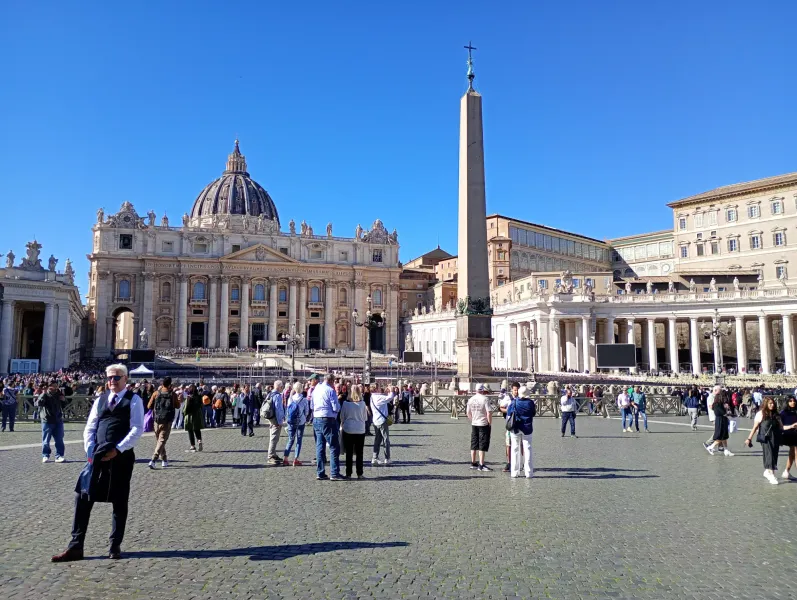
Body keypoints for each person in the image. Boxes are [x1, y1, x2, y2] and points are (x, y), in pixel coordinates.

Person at [51, 364, 144, 562]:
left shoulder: (134, 400)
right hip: (97, 457)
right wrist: (90, 450)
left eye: (116, 378)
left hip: (121, 458)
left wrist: (118, 449)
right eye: (109, 378)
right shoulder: (100, 399)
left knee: (119, 501)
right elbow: (90, 427)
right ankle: (76, 546)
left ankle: (114, 545)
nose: (111, 381)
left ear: (125, 379)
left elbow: (137, 429)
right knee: (82, 497)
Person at [745, 397, 796, 484]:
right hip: (766, 438)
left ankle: (768, 472)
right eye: (770, 403)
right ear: (765, 404)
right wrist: (749, 438)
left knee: (774, 455)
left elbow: (781, 427)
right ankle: (771, 475)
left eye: (773, 403)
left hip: (775, 437)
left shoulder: (776, 415)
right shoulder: (760, 414)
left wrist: (791, 426)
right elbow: (755, 427)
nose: (772, 405)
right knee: (769, 454)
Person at [312, 374, 343, 480]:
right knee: (334, 446)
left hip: (316, 418)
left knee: (319, 447)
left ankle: (320, 472)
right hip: (327, 419)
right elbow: (336, 407)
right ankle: (334, 473)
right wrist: (337, 408)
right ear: (331, 381)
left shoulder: (316, 389)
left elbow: (311, 405)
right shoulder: (330, 390)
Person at [147, 377, 180, 468]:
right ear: (170, 384)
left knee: (160, 440)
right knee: (161, 441)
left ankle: (164, 459)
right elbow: (178, 406)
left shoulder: (156, 393)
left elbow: (149, 406)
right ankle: (154, 459)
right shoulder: (172, 394)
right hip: (167, 420)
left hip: (157, 420)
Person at [506, 383, 536, 479]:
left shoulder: (514, 402)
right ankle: (529, 473)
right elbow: (533, 413)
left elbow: (509, 413)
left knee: (515, 448)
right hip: (527, 427)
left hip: (516, 427)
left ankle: (514, 472)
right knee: (528, 449)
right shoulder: (530, 403)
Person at [340, 384, 368, 478]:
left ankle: (348, 473)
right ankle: (360, 473)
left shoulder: (345, 403)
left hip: (348, 429)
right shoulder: (362, 404)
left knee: (349, 453)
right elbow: (365, 417)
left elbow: (342, 417)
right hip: (360, 429)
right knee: (360, 453)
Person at [37, 379, 66, 463]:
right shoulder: (45, 394)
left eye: (56, 385)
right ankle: (45, 455)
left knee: (59, 439)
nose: (55, 387)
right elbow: (39, 403)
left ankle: (59, 456)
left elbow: (64, 405)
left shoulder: (59, 394)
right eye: (53, 385)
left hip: (58, 419)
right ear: (49, 386)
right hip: (47, 419)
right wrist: (43, 393)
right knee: (46, 440)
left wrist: (63, 399)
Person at [466, 383, 492, 471]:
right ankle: (481, 464)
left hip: (474, 423)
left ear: (476, 390)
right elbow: (489, 413)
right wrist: (489, 423)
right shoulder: (485, 399)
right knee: (482, 444)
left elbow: (468, 413)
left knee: (473, 443)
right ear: (483, 390)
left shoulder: (471, 399)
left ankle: (473, 463)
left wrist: (472, 419)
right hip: (483, 423)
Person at [283, 382, 309, 466]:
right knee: (299, 440)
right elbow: (307, 412)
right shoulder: (304, 400)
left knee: (290, 439)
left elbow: (288, 410)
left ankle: (285, 458)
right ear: (301, 389)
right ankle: (296, 459)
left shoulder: (290, 399)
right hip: (301, 422)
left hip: (291, 422)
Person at [371, 386, 393, 466]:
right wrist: (391, 390)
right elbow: (390, 397)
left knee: (377, 440)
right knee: (386, 439)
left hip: (375, 421)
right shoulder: (379, 397)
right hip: (382, 421)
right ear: (376, 389)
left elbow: (384, 397)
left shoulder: (372, 397)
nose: (381, 388)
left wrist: (385, 392)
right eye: (379, 387)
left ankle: (375, 457)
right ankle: (387, 458)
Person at [264, 380, 286, 464]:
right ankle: (270, 456)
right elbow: (278, 410)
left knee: (273, 437)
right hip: (275, 420)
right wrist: (279, 422)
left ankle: (273, 454)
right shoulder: (277, 396)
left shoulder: (270, 393)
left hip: (270, 418)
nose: (282, 388)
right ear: (279, 387)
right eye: (282, 387)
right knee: (274, 438)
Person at [779, 396, 797, 480]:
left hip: (795, 433)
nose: (793, 402)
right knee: (795, 451)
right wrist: (792, 426)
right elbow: (780, 426)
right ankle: (786, 471)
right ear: (787, 402)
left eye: (794, 401)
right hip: (788, 434)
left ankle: (786, 471)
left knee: (792, 453)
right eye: (790, 401)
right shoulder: (783, 413)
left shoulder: (796, 411)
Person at [183, 384, 204, 452]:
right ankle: (199, 440)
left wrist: (184, 413)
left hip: (190, 415)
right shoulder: (199, 396)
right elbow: (201, 405)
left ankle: (193, 446)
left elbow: (186, 407)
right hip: (197, 415)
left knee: (190, 430)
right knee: (197, 429)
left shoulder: (189, 397)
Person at [498, 388, 512, 472]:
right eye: (514, 390)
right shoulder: (508, 398)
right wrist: (509, 411)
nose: (516, 391)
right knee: (508, 444)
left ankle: (524, 463)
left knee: (522, 445)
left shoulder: (523, 398)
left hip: (521, 425)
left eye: (517, 390)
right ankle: (509, 463)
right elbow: (500, 408)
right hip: (510, 425)